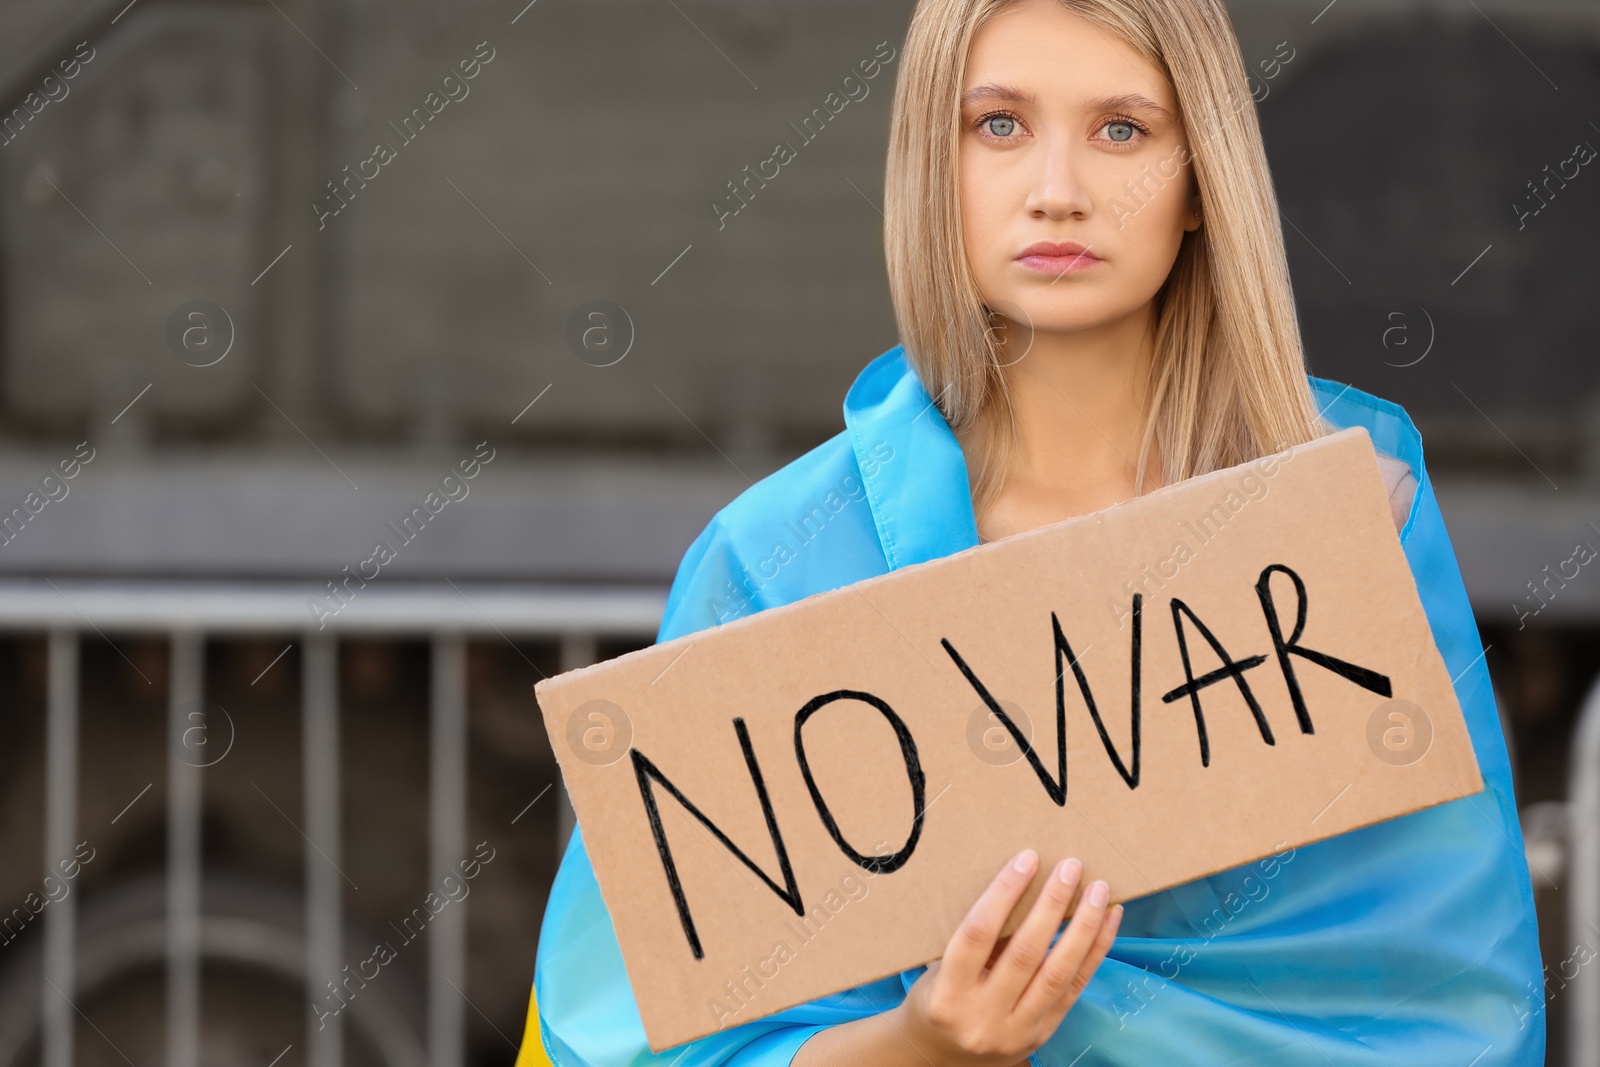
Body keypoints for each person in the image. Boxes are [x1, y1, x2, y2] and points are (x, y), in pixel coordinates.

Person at [521, 0, 1544, 1063]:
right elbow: (633, 1041)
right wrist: (920, 1046)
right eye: (998, 125)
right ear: (934, 164)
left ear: (1200, 179)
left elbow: (1453, 1002)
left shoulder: (1341, 517)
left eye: (1122, 130)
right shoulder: (777, 555)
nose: (1058, 191)